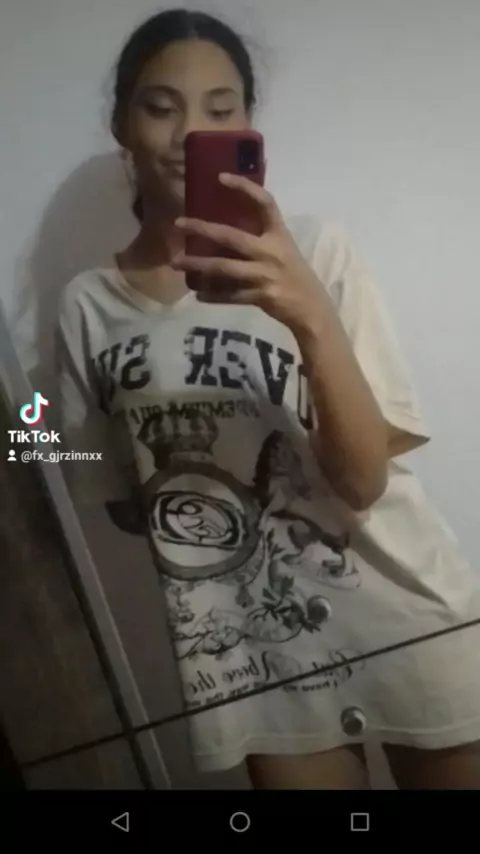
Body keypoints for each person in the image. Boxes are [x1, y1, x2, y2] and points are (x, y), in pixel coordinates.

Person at [56, 8, 480, 789]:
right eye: (161, 106)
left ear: (248, 129)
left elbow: (363, 481)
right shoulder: (88, 304)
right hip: (253, 659)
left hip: (407, 617)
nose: (190, 133)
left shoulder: (316, 253)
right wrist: (24, 429)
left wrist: (307, 311)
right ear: (121, 124)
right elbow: (106, 491)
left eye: (220, 110)